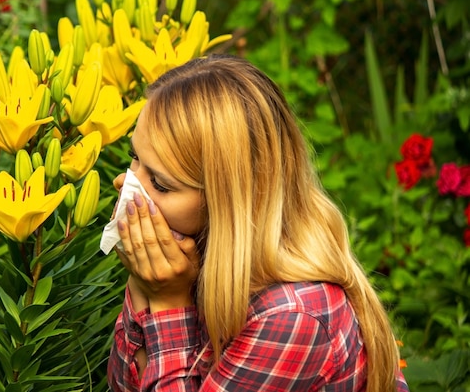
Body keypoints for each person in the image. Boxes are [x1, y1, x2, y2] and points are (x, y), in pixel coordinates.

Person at [106, 54, 409, 392]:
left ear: (228, 200)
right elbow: (122, 385)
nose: (125, 183)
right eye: (135, 158)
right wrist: (144, 285)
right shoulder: (189, 255)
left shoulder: (293, 315)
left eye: (160, 184)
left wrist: (166, 305)